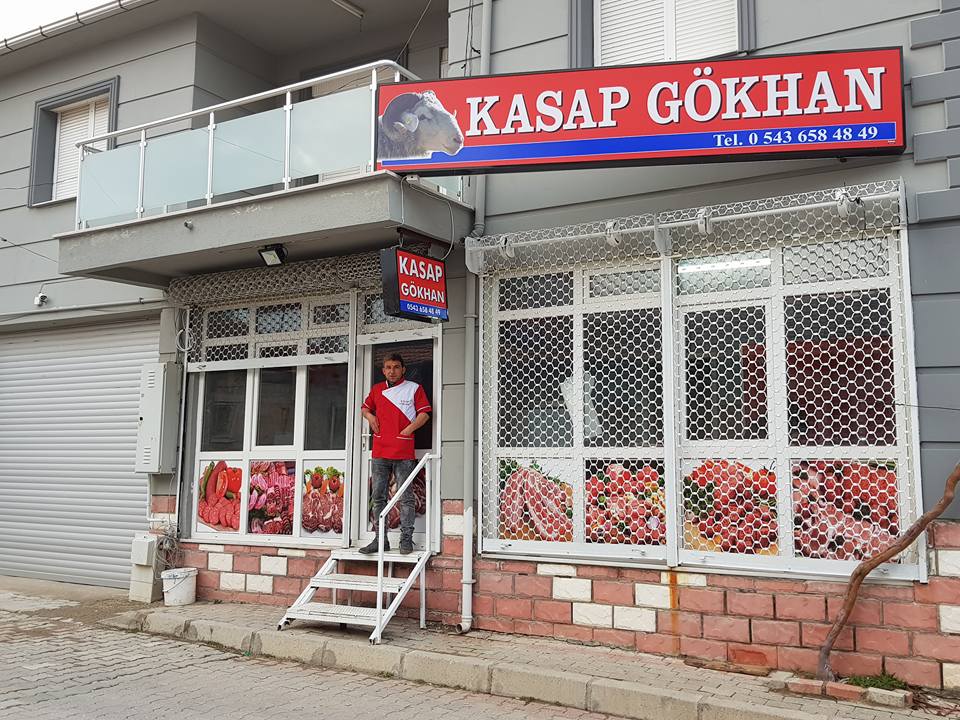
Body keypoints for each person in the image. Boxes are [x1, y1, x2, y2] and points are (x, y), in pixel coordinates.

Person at [359, 353, 432, 554]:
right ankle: (380, 540)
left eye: (396, 367)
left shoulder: (414, 388)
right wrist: (370, 417)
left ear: (403, 369)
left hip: (403, 450)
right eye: (388, 367)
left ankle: (406, 540)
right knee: (378, 497)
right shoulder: (377, 389)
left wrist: (408, 430)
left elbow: (425, 414)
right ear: (383, 370)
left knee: (406, 496)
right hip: (380, 450)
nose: (392, 371)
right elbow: (365, 408)